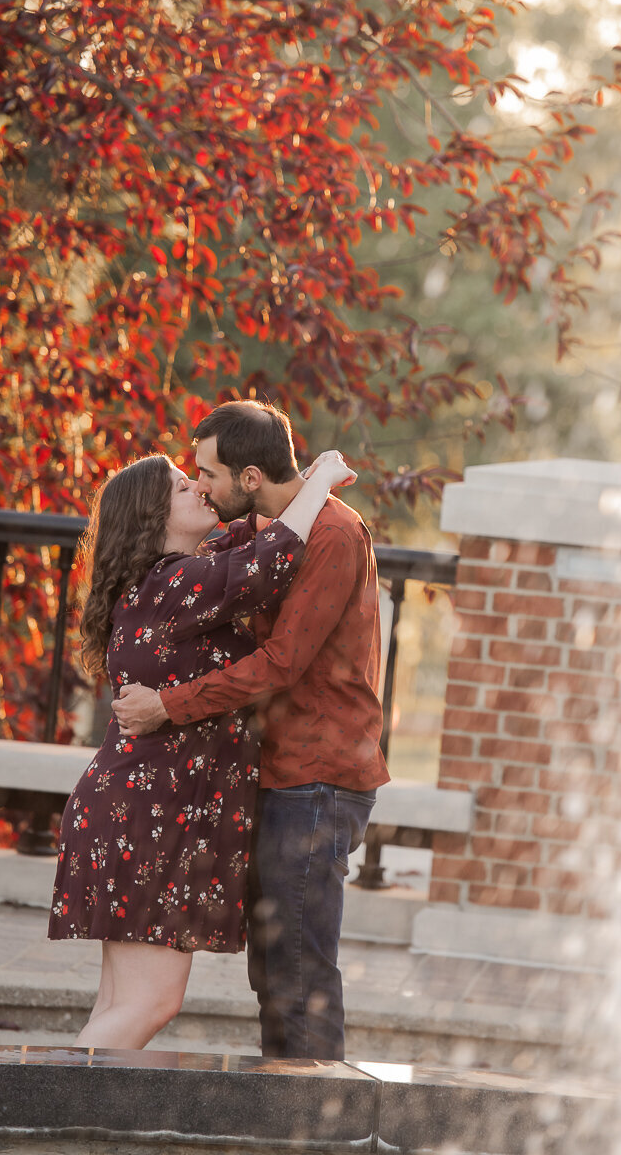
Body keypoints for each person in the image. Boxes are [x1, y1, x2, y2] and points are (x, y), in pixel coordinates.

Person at [48, 446, 355, 1050]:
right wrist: (319, 479)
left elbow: (252, 534)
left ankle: (56, 1117)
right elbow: (270, 562)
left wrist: (276, 486)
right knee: (150, 1001)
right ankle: (42, 1117)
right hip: (148, 815)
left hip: (137, 810)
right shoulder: (174, 583)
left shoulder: (177, 574)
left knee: (120, 1001)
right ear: (151, 516)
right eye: (183, 486)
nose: (199, 489)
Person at [113, 400, 389, 1060]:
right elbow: (207, 577)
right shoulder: (265, 529)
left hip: (317, 778)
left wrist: (169, 705)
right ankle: (283, 1115)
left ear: (251, 477)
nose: (199, 485)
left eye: (207, 474)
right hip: (277, 770)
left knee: (299, 970)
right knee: (272, 970)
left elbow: (283, 663)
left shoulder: (331, 535)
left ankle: (320, 1123)